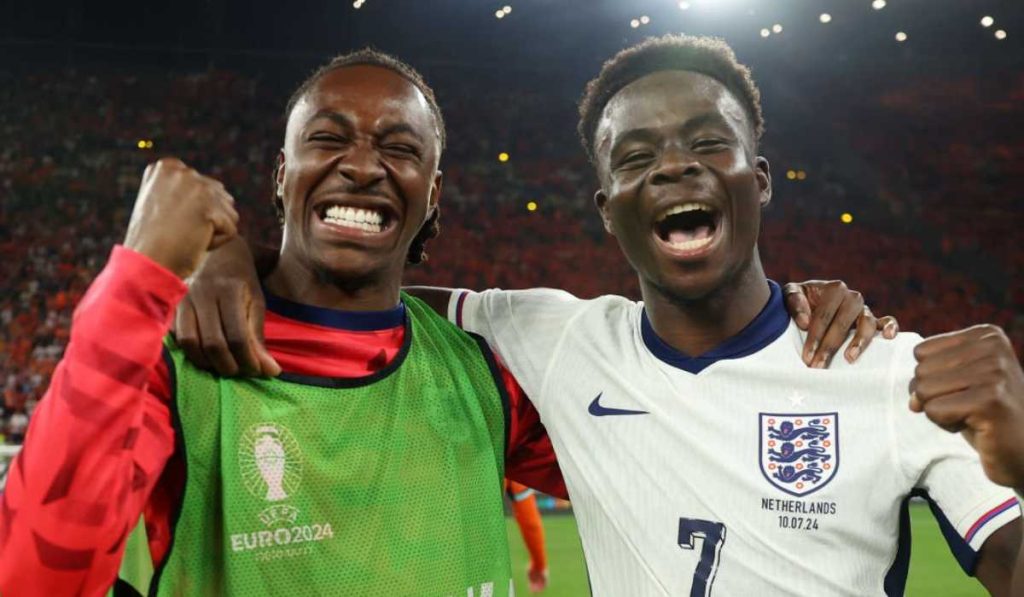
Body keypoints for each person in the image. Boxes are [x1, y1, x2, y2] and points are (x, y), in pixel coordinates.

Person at [187, 37, 1024, 595]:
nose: (673, 168)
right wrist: (227, 258)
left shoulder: (893, 372)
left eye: (708, 142)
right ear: (606, 208)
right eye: (636, 155)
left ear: (760, 179)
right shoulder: (555, 341)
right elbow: (354, 286)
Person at [0, 51, 565, 596]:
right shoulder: (181, 361)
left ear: (433, 193)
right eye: (328, 138)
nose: (362, 166)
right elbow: (29, 580)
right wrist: (142, 275)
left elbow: (622, 469)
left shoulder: (487, 375)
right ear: (281, 174)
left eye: (399, 148)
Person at [507, 479, 550, 593]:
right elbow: (531, 524)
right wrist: (539, 565)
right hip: (485, 561)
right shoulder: (509, 467)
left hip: (463, 556)